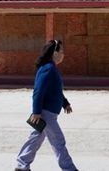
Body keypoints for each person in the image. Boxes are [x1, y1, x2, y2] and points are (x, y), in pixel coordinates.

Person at [15, 40, 79, 171]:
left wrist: (65, 103)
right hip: (45, 114)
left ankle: (22, 165)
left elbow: (55, 90)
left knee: (35, 139)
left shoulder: (51, 68)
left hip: (47, 113)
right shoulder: (48, 69)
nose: (63, 54)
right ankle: (69, 168)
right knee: (58, 141)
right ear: (54, 53)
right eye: (61, 51)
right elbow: (38, 91)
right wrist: (36, 112)